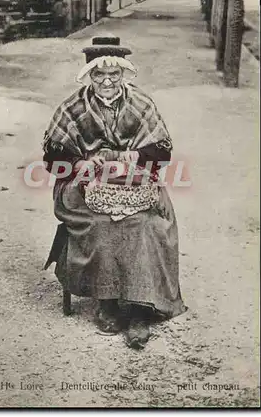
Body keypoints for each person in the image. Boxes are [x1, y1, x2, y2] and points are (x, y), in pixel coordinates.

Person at [43, 36, 187, 349]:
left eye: (114, 75)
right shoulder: (72, 108)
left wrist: (133, 158)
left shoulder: (142, 104)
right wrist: (83, 163)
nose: (107, 82)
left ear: (123, 75)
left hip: (134, 183)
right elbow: (53, 159)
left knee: (146, 221)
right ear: (88, 75)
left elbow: (162, 152)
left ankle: (139, 309)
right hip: (82, 185)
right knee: (102, 222)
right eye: (99, 75)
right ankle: (107, 302)